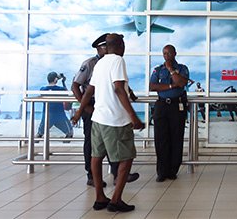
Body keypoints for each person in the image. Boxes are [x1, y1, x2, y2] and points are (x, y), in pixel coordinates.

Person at [75, 33, 144, 213]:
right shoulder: (118, 61)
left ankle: (100, 197)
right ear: (120, 45)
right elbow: (119, 89)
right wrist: (134, 117)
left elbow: (89, 91)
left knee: (96, 158)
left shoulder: (101, 62)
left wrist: (78, 112)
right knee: (126, 158)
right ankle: (116, 200)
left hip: (98, 119)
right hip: (116, 120)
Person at [149, 44, 189, 182]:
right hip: (161, 105)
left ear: (175, 53)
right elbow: (152, 86)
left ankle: (173, 170)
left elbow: (182, 83)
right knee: (161, 139)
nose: (167, 56)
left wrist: (171, 70)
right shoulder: (157, 69)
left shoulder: (182, 68)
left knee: (176, 138)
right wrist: (172, 85)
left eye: (169, 53)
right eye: (164, 53)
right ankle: (162, 171)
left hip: (177, 106)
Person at [36, 73, 73, 138]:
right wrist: (63, 82)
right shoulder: (61, 89)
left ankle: (33, 146)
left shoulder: (43, 89)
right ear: (56, 79)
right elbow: (67, 93)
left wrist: (56, 79)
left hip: (47, 116)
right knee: (69, 133)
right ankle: (65, 145)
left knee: (39, 134)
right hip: (59, 116)